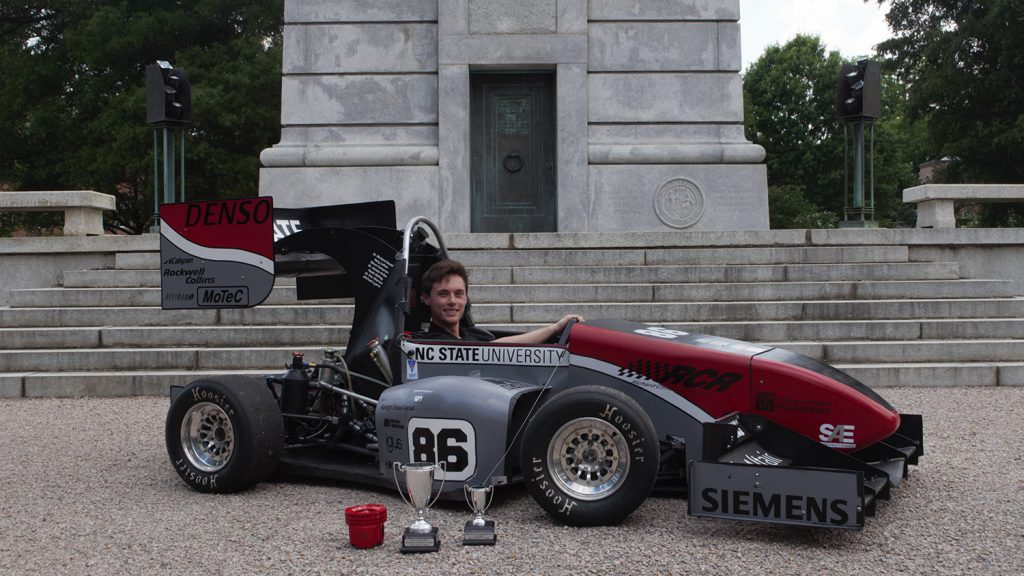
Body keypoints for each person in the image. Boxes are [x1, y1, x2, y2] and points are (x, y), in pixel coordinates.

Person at [415, 259, 583, 343]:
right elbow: (496, 348)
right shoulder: (428, 344)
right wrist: (554, 328)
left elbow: (497, 346)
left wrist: (556, 329)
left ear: (466, 298)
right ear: (426, 298)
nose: (453, 301)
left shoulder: (476, 335)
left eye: (459, 294)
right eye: (444, 294)